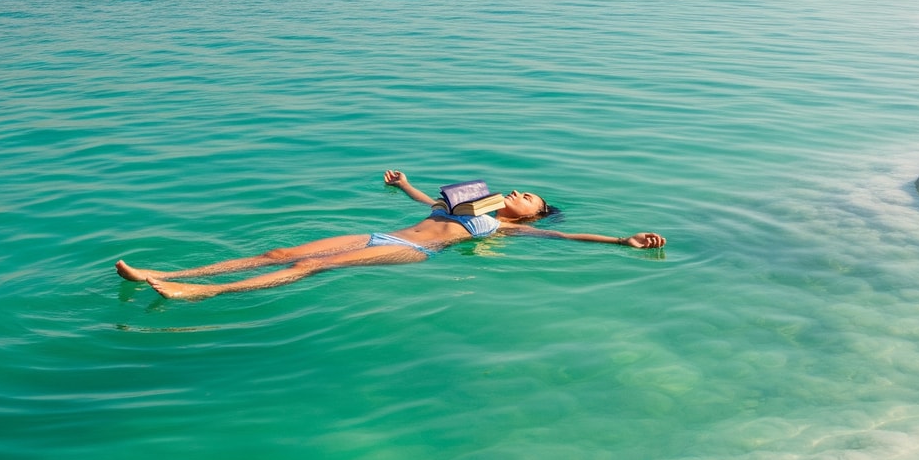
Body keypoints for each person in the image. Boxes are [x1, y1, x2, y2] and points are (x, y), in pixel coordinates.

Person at [115, 170, 666, 300]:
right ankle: (167, 274)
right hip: (383, 231)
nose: (520, 194)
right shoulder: (474, 204)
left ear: (532, 215)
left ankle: (200, 292)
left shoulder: (500, 225)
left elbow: (573, 239)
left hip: (412, 252)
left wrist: (622, 241)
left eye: (531, 199)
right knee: (277, 251)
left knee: (312, 267)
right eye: (521, 191)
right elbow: (430, 202)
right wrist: (404, 184)